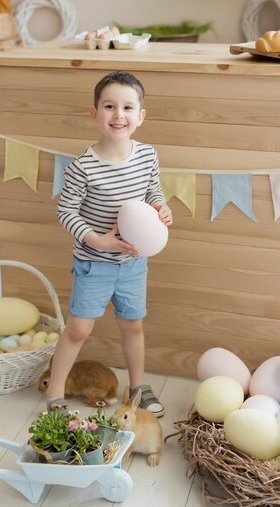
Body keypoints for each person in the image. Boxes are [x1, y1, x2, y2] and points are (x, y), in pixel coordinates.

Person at [45, 70, 173, 417]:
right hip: (94, 263)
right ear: (94, 113)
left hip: (132, 263)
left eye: (128, 107)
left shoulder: (147, 156)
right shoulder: (82, 167)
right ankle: (55, 392)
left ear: (140, 116)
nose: (119, 115)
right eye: (109, 106)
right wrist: (98, 240)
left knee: (133, 324)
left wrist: (161, 207)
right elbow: (67, 211)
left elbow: (152, 191)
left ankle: (138, 385)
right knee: (79, 328)